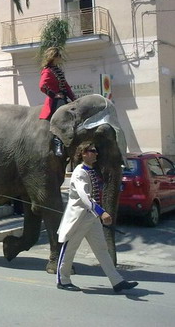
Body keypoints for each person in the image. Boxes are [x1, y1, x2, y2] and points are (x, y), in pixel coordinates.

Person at [56, 142, 138, 293]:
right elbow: (85, 197)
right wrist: (102, 212)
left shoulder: (90, 170)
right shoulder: (80, 172)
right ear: (83, 153)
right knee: (70, 249)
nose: (96, 153)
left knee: (101, 249)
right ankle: (63, 279)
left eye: (95, 150)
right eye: (92, 151)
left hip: (91, 218)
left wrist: (97, 214)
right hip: (79, 218)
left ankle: (117, 281)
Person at [39, 47, 76, 156]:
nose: (60, 58)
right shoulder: (47, 71)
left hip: (63, 97)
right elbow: (42, 85)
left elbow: (66, 86)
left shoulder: (58, 70)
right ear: (54, 57)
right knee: (62, 118)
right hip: (56, 100)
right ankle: (57, 143)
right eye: (59, 56)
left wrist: (75, 99)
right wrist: (54, 95)